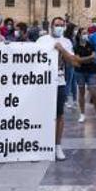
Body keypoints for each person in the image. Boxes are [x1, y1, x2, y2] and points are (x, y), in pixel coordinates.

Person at [36, 17, 82, 160]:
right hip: (42, 81)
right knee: (41, 113)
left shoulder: (66, 42)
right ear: (51, 26)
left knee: (59, 114)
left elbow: (73, 62)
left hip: (59, 81)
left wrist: (62, 50)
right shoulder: (42, 40)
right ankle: (40, 144)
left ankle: (57, 146)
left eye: (62, 25)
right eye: (57, 25)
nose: (59, 27)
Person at [73, 30, 96, 123]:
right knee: (81, 92)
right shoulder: (75, 47)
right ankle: (82, 114)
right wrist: (89, 58)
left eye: (86, 33)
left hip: (92, 71)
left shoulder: (91, 45)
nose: (85, 35)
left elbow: (94, 57)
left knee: (94, 92)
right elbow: (77, 60)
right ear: (79, 35)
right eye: (83, 33)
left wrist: (83, 60)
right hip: (80, 72)